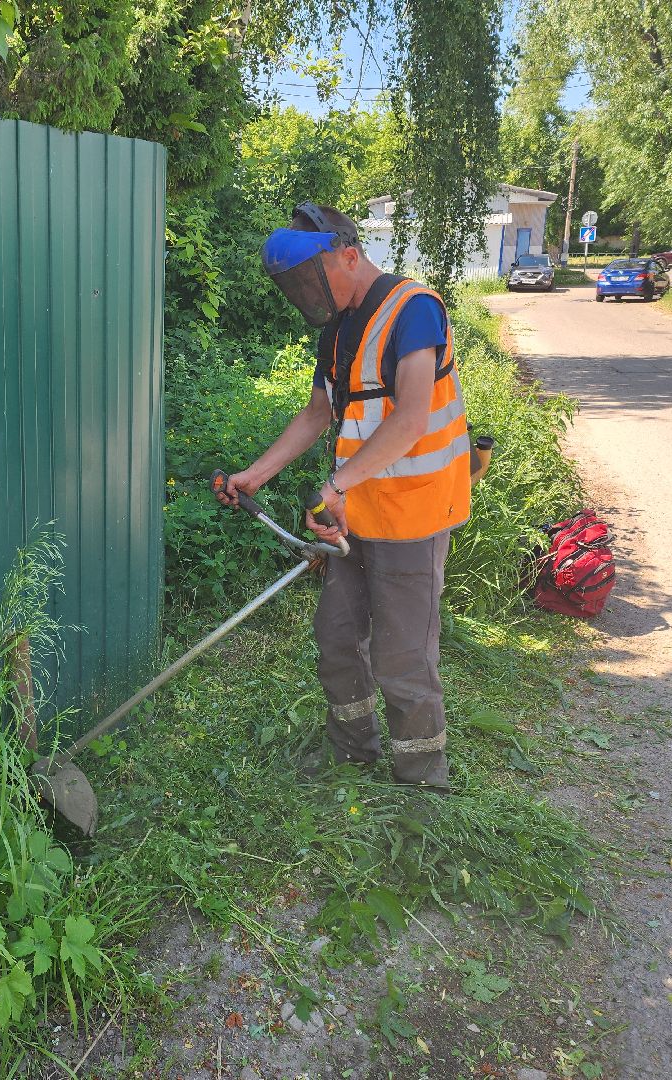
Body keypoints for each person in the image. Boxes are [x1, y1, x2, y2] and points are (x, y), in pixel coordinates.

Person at [215, 203, 470, 789]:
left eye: (313, 278)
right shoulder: (337, 330)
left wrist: (333, 485)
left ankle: (422, 780)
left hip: (413, 513)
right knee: (336, 638)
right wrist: (257, 475)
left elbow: (409, 420)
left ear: (350, 256)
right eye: (297, 286)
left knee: (402, 658)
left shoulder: (415, 311)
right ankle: (354, 754)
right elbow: (317, 414)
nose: (307, 294)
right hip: (355, 517)